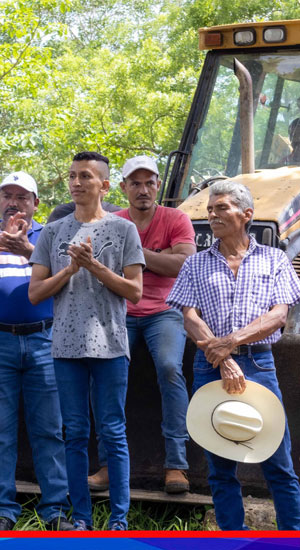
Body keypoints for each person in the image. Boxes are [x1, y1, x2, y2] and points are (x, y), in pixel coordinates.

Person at [168, 180, 300, 530]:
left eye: (221, 207)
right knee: (220, 465)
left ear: (246, 214)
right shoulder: (195, 264)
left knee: (278, 462)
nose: (212, 214)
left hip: (258, 362)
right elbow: (189, 317)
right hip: (210, 365)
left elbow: (279, 315)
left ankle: (291, 543)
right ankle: (232, 543)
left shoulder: (274, 259)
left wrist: (230, 342)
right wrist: (224, 357)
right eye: (210, 209)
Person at [29, 151, 144, 531]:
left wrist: (93, 266)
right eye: (72, 176)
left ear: (105, 185)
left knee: (113, 431)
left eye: (85, 176)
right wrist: (70, 269)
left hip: (111, 346)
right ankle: (80, 518)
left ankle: (119, 521)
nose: (76, 183)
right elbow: (35, 292)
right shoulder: (52, 232)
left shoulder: (124, 230)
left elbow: (135, 292)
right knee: (74, 433)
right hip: (65, 347)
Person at [0, 171, 72, 531]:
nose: (13, 203)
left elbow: (71, 277)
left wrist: (28, 251)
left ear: (36, 203)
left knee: (49, 428)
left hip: (44, 340)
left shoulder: (51, 235)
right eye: (7, 195)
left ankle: (55, 509)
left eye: (22, 197)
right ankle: (2, 509)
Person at [88, 156, 196, 494]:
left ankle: (176, 465)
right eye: (135, 183)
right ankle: (108, 464)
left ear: (158, 185)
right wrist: (159, 256)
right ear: (123, 188)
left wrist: (133, 252)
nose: (143, 189)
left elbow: (184, 265)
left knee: (169, 367)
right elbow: (101, 267)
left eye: (150, 182)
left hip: (164, 311)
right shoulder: (111, 221)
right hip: (119, 310)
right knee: (104, 371)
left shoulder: (176, 218)